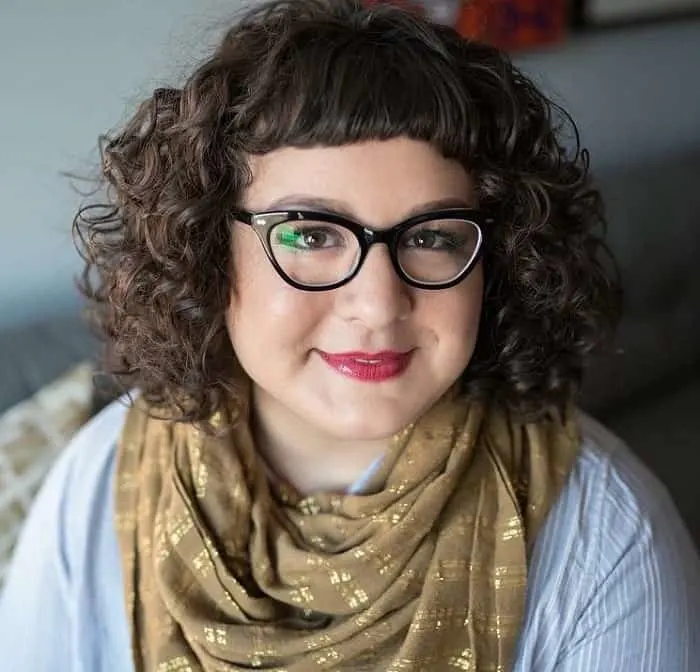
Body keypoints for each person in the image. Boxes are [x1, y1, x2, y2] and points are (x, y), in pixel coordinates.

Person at [1, 1, 699, 670]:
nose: (376, 303)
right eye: (310, 232)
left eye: (431, 236)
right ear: (209, 248)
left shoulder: (605, 537)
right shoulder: (99, 481)